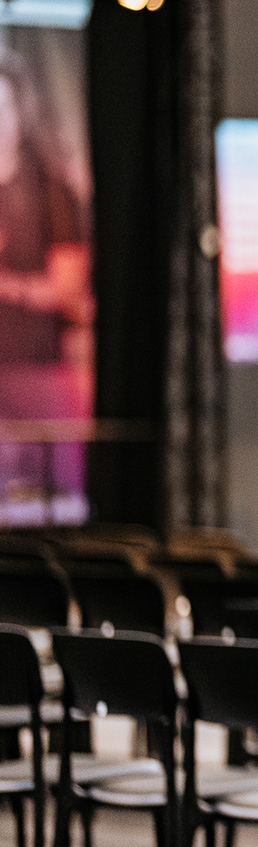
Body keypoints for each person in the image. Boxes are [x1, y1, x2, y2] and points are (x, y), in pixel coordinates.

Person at [0, 49, 91, 508]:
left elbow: (68, 288)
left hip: (41, 374)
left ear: (20, 110)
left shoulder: (51, 189)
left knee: (59, 499)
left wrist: (7, 286)